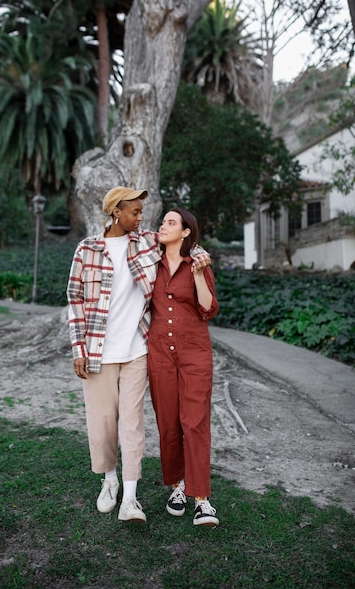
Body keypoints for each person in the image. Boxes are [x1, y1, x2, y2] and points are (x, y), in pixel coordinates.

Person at [66, 187, 210, 523]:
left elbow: (183, 244)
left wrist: (200, 254)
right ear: (116, 212)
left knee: (132, 424)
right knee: (102, 424)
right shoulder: (87, 249)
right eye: (134, 211)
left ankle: (130, 498)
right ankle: (110, 480)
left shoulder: (145, 241)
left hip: (137, 350)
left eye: (141, 212)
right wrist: (79, 349)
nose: (140, 217)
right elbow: (74, 300)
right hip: (98, 350)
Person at [147, 208, 220, 527]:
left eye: (171, 222)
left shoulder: (198, 264)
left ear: (186, 232)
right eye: (162, 221)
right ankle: (177, 486)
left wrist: (200, 273)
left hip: (194, 349)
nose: (163, 225)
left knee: (195, 420)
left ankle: (201, 498)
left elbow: (208, 309)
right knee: (167, 420)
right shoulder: (150, 260)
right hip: (159, 349)